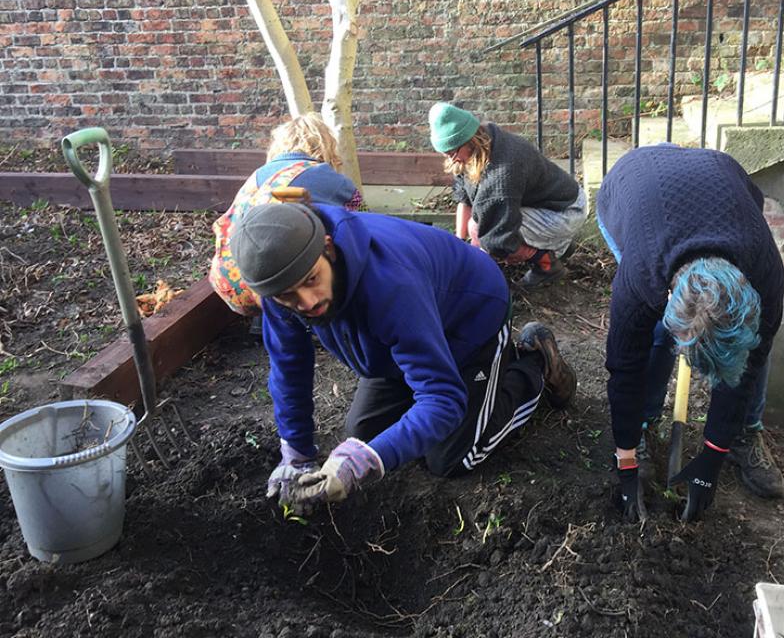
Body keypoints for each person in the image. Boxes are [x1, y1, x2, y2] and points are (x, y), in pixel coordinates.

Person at [229, 200, 578, 515]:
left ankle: (534, 365)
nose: (306, 302)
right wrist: (297, 454)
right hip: (400, 341)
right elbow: (289, 369)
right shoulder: (280, 286)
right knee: (364, 433)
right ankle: (423, 375)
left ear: (328, 249)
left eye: (311, 280)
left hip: (470, 323)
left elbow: (443, 399)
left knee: (451, 457)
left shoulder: (390, 285)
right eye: (289, 296)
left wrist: (367, 460)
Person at [595, 144, 784, 523]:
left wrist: (710, 461)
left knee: (752, 351)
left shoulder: (765, 274)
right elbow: (623, 368)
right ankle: (644, 425)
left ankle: (744, 433)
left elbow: (746, 368)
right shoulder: (640, 278)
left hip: (724, 180)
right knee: (654, 340)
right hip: (631, 183)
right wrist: (626, 460)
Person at [209, 112, 363, 315]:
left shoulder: (258, 175)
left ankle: (264, 319)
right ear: (324, 147)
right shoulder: (321, 174)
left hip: (225, 278)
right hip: (275, 279)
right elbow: (358, 210)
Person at [428, 102, 588, 288]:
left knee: (480, 230)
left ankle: (546, 262)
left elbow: (495, 238)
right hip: (547, 202)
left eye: (452, 152)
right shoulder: (480, 146)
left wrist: (475, 266)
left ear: (470, 140)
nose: (451, 159)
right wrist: (459, 244)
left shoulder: (501, 171)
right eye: (445, 154)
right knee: (477, 229)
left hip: (565, 211)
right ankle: (557, 245)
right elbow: (464, 201)